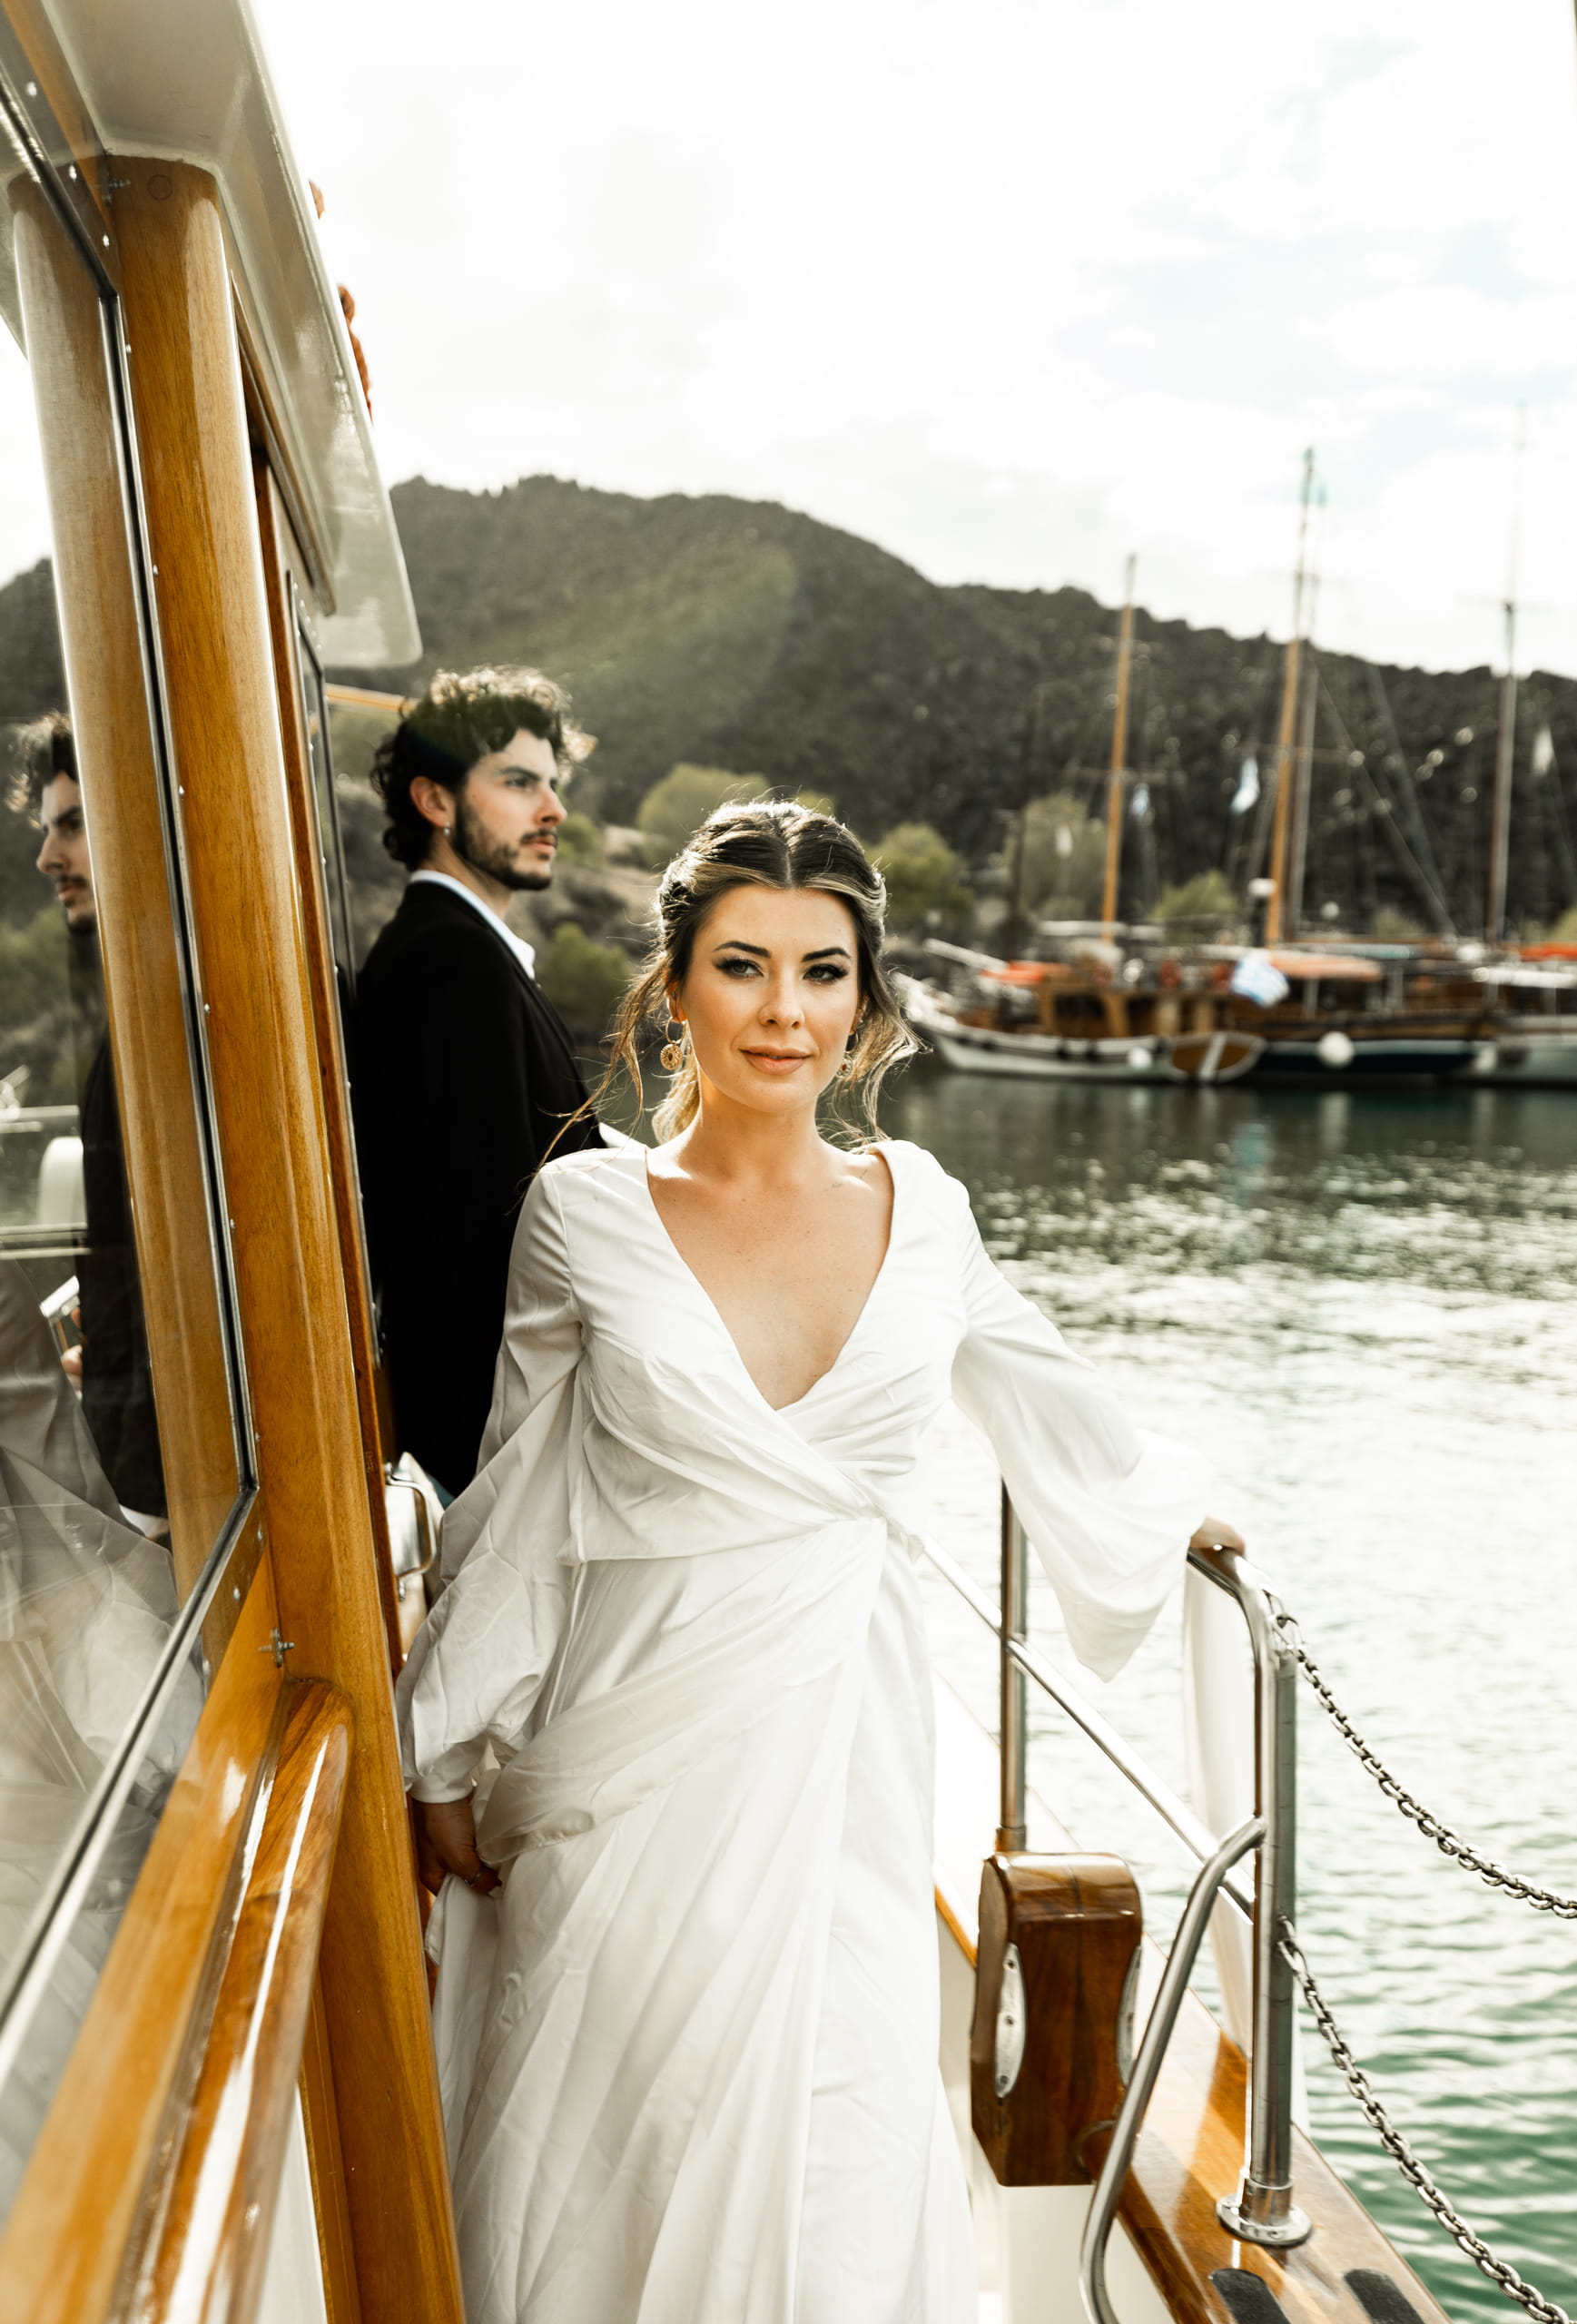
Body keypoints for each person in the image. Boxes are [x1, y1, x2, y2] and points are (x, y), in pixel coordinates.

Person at [395, 800, 1240, 2323]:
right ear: (673, 991)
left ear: (866, 1003)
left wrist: (1177, 1516)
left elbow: (1043, 1393)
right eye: (742, 966)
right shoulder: (586, 1212)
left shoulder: (926, 1213)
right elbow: (518, 1494)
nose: (784, 1010)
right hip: (632, 1745)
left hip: (843, 1736)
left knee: (839, 2132)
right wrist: (446, 1744)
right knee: (621, 2125)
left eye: (823, 971)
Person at [352, 667, 609, 1501]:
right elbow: (488, 1237)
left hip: (507, 1435)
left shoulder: (466, 951)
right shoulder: (447, 963)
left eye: (553, 785)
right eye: (518, 782)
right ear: (435, 802)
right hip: (504, 1447)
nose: (553, 811)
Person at [12, 714, 166, 1524]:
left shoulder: (171, 1015)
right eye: (47, 830)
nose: (47, 857)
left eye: (71, 824)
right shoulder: (135, 1010)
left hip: (173, 1479)